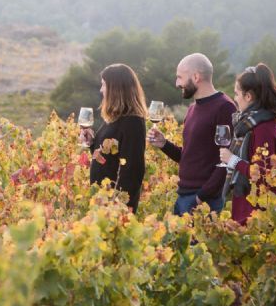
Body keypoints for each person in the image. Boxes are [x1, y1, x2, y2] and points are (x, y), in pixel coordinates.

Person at [147, 53, 237, 216]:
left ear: (196, 77)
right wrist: (164, 144)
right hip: (184, 196)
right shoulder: (192, 109)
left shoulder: (224, 108)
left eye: (180, 77)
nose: (176, 83)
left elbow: (226, 162)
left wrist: (200, 198)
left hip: (203, 202)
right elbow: (189, 157)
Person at [219, 63, 276, 225]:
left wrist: (232, 160)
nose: (234, 98)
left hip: (260, 215)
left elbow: (263, 175)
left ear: (248, 96)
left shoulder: (263, 128)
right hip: (251, 211)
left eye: (236, 94)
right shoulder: (253, 124)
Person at [80, 64, 147, 213]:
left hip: (115, 208)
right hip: (103, 201)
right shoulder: (115, 119)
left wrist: (117, 207)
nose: (101, 90)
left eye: (104, 85)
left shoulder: (132, 122)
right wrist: (92, 143)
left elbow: (133, 170)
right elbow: (108, 157)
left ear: (115, 89)